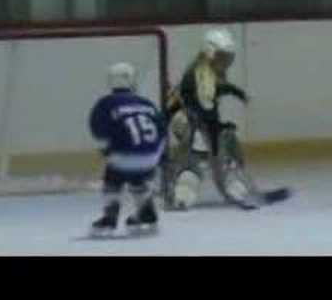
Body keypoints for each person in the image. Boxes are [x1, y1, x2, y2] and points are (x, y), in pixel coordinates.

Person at [166, 28, 252, 209]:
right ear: (209, 52)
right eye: (222, 56)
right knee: (201, 144)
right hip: (185, 118)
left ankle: (193, 179)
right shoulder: (201, 72)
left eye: (228, 56)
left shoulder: (210, 69)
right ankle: (186, 182)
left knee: (218, 141)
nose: (227, 61)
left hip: (193, 117)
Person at [88, 62, 166, 237]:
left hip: (123, 157)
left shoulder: (105, 103)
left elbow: (97, 128)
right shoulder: (147, 103)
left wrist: (106, 150)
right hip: (150, 157)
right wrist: (157, 154)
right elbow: (162, 130)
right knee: (138, 178)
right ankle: (147, 214)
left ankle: (109, 218)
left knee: (113, 178)